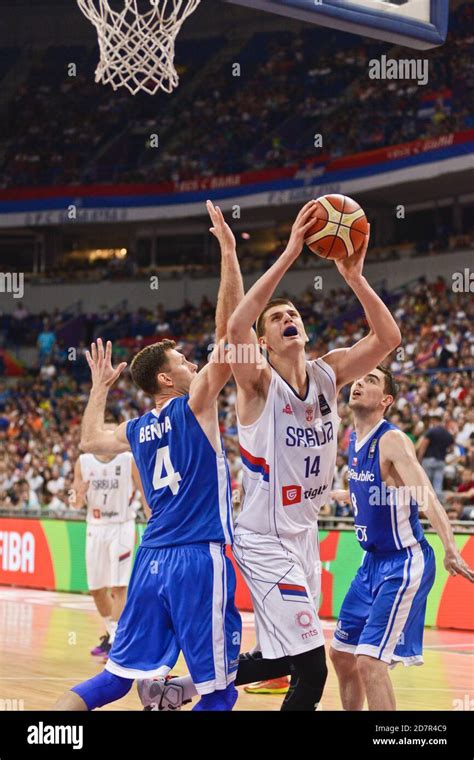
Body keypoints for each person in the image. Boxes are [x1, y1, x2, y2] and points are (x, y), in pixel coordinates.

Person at [139, 199, 401, 711]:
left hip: (305, 536)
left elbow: (388, 338)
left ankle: (181, 689)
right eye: (277, 316)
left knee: (286, 659)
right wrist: (289, 252)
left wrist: (353, 275)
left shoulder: (329, 372)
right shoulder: (256, 383)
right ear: (264, 341)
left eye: (294, 313)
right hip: (261, 537)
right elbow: (236, 330)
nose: (287, 318)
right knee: (311, 669)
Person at [53, 200, 244, 712]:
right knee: (220, 689)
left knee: (116, 680)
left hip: (151, 559)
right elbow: (229, 337)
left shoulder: (137, 428)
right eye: (182, 359)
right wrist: (227, 251)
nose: (191, 361)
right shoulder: (195, 405)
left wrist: (98, 386)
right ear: (167, 379)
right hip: (197, 556)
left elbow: (90, 441)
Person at [329, 366, 474, 711]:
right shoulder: (353, 437)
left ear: (387, 400)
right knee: (341, 655)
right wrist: (337, 494)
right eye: (360, 379)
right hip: (371, 564)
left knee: (369, 661)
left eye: (371, 380)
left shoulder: (392, 440)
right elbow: (371, 489)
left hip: (404, 562)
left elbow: (427, 497)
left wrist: (451, 549)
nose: (359, 382)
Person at [70, 441, 150, 659]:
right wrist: (78, 495)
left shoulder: (128, 460)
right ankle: (112, 633)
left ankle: (117, 641)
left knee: (119, 586)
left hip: (122, 525)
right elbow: (74, 503)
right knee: (96, 589)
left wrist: (151, 516)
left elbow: (144, 491)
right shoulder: (83, 462)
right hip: (95, 527)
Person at [416, 415, 454, 501]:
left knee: (425, 483)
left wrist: (419, 459)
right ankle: (438, 505)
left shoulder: (431, 431)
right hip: (441, 461)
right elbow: (451, 449)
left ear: (434, 421)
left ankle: (424, 504)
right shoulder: (447, 433)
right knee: (437, 486)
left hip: (429, 459)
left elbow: (424, 445)